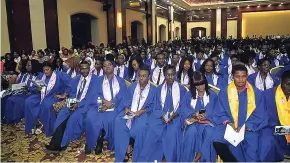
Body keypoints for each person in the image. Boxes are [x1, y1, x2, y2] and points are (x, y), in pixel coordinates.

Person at [212, 64, 267, 162]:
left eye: (243, 76)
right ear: (232, 76)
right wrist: (229, 123)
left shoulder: (256, 93)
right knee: (217, 139)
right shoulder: (225, 92)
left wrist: (247, 126)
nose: (241, 80)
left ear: (247, 76)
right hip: (229, 125)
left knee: (251, 148)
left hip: (249, 127)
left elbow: (260, 114)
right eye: (237, 76)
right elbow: (219, 112)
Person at [45, 61, 99, 154]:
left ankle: (62, 144)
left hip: (86, 105)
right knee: (62, 114)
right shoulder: (77, 79)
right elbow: (72, 93)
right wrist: (72, 102)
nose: (84, 70)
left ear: (89, 68)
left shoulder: (95, 80)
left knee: (73, 118)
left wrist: (79, 104)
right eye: (82, 68)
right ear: (79, 69)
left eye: (86, 68)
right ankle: (55, 141)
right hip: (74, 103)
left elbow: (92, 97)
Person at [138, 65, 187, 162]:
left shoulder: (182, 89)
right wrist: (162, 115)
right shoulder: (159, 89)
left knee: (172, 132)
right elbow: (156, 106)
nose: (170, 77)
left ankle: (169, 158)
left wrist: (174, 115)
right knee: (152, 129)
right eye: (168, 75)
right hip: (160, 116)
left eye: (172, 74)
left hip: (176, 117)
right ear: (164, 75)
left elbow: (183, 107)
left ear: (175, 75)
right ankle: (154, 157)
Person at [114, 66, 157, 162]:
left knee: (140, 127)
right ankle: (123, 151)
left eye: (144, 76)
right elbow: (126, 99)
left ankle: (137, 154)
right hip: (131, 112)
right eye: (140, 76)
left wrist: (142, 111)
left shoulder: (154, 90)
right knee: (118, 121)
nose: (141, 78)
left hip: (144, 113)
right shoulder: (133, 86)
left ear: (148, 77)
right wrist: (126, 108)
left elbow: (154, 106)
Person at [84, 59, 127, 154]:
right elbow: (94, 94)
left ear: (113, 66)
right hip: (99, 105)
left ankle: (101, 140)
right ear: (102, 68)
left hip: (115, 107)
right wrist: (103, 102)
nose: (107, 67)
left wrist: (111, 104)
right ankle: (91, 141)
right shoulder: (98, 80)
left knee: (110, 119)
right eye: (105, 65)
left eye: (109, 64)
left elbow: (122, 96)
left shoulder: (121, 81)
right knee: (90, 118)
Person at [24, 61, 71, 137]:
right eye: (44, 70)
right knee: (29, 101)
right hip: (41, 95)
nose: (45, 72)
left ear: (52, 69)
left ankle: (47, 128)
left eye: (47, 69)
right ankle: (32, 125)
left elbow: (71, 84)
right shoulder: (41, 75)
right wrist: (37, 89)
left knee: (47, 104)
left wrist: (65, 95)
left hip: (53, 96)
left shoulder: (60, 75)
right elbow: (33, 88)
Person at [180, 71, 218, 162]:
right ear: (194, 85)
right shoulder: (188, 95)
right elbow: (184, 109)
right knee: (191, 132)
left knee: (209, 132)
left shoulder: (212, 95)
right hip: (193, 121)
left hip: (208, 122)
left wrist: (205, 114)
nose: (200, 87)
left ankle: (202, 156)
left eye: (202, 84)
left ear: (205, 82)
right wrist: (194, 114)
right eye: (197, 85)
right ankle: (188, 159)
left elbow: (214, 109)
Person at [258, 70, 290, 161]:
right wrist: (286, 130)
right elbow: (264, 119)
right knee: (266, 139)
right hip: (274, 129)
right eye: (287, 84)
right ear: (281, 81)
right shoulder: (267, 95)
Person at [5, 60, 42, 124]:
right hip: (22, 93)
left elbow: (38, 87)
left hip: (33, 94)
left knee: (18, 101)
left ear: (34, 66)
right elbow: (18, 84)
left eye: (29, 65)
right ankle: (9, 119)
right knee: (9, 99)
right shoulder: (24, 75)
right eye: (26, 65)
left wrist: (28, 88)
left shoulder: (39, 75)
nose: (27, 67)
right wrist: (17, 87)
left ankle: (17, 120)